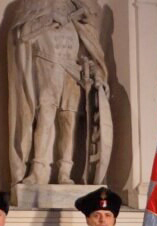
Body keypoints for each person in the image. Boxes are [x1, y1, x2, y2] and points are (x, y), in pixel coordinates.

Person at [7, 0, 111, 185]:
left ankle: (65, 172)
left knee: (68, 121)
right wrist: (49, 19)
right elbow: (22, 34)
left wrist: (96, 74)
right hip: (47, 67)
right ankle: (37, 170)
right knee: (45, 116)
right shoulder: (34, 6)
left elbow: (88, 53)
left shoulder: (78, 19)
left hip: (72, 72)